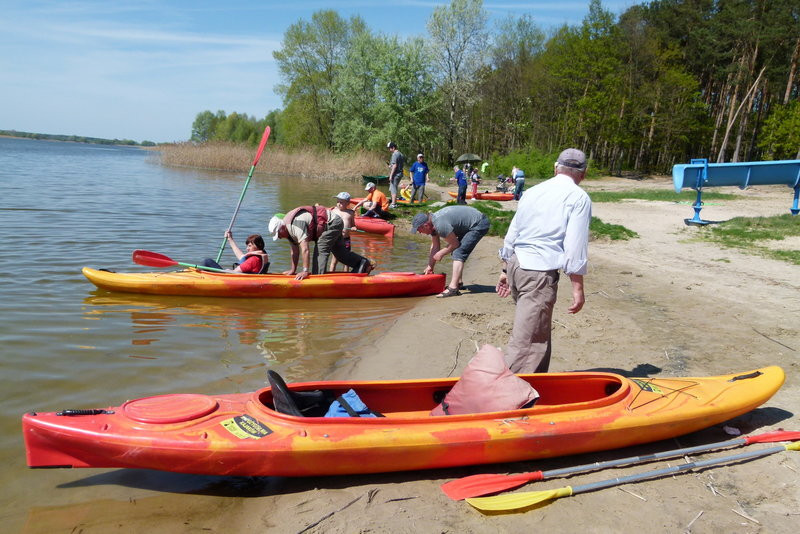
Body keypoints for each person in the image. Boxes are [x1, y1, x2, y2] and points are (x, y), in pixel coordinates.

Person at [496, 148, 592, 374]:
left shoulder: (533, 191)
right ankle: (509, 389)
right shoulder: (579, 197)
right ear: (583, 174)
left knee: (536, 334)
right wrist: (578, 288)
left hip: (517, 265)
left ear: (556, 168)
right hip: (537, 272)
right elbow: (575, 246)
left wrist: (505, 269)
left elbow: (513, 231)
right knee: (528, 343)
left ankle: (535, 385)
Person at [268, 205, 374, 280]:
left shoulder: (295, 226)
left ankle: (318, 278)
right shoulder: (287, 231)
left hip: (332, 223)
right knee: (340, 255)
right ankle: (362, 263)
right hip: (328, 225)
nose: (279, 238)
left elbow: (305, 249)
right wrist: (293, 270)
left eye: (278, 234)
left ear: (282, 228)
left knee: (320, 250)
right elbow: (294, 251)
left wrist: (305, 270)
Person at [411, 205, 489, 298]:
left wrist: (441, 253)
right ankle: (458, 283)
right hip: (470, 223)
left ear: (425, 226)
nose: (419, 232)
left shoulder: (440, 225)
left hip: (478, 223)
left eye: (419, 230)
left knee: (458, 252)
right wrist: (430, 266)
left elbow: (455, 244)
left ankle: (453, 289)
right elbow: (435, 247)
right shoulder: (433, 225)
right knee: (455, 250)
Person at [202, 231, 269, 273]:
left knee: (207, 261)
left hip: (230, 278)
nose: (247, 249)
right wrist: (230, 239)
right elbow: (242, 257)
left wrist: (228, 270)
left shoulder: (253, 260)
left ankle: (200, 278)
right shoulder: (259, 257)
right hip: (238, 277)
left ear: (257, 246)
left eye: (249, 246)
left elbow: (235, 272)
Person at [329, 192, 356, 271]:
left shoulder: (350, 213)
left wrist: (353, 227)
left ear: (347, 203)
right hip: (336, 239)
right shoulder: (334, 211)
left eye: (341, 202)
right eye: (338, 202)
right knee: (334, 259)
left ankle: (346, 274)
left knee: (347, 260)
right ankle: (331, 273)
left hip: (346, 239)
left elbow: (353, 225)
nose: (339, 204)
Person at [386, 141, 405, 208]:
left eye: (390, 148)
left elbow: (395, 166)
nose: (389, 149)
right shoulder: (401, 154)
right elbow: (398, 164)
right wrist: (391, 165)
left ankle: (393, 204)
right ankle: (394, 202)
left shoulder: (394, 154)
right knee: (394, 187)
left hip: (396, 174)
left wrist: (391, 175)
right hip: (400, 173)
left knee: (393, 188)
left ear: (393, 147)